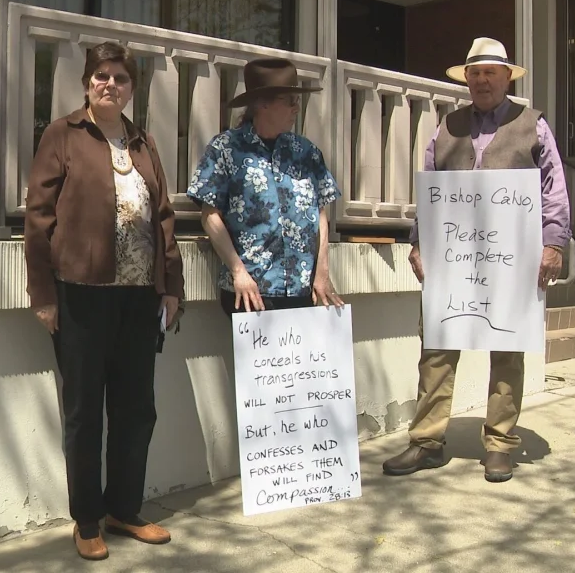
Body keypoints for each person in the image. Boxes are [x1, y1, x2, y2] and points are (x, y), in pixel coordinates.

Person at [382, 37, 571, 483]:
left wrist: (554, 244)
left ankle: (500, 444)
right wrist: (417, 242)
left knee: (507, 350)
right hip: (453, 256)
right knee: (436, 350)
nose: (483, 80)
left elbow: (553, 190)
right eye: (475, 73)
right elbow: (428, 189)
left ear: (507, 77)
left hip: (512, 258)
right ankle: (426, 441)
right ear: (466, 79)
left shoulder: (533, 125)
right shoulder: (446, 127)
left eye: (491, 72)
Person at [24, 41, 184, 560]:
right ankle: (87, 518)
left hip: (139, 299)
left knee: (137, 409)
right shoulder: (63, 135)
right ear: (87, 83)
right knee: (85, 410)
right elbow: (38, 217)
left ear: (131, 88)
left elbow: (163, 215)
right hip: (81, 297)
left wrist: (172, 286)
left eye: (119, 78)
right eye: (101, 76)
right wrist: (44, 293)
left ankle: (124, 508)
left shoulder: (143, 142)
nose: (109, 84)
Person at [187, 57, 343, 315]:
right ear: (262, 104)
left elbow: (320, 213)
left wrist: (322, 271)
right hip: (251, 292)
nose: (296, 108)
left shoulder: (306, 152)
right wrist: (238, 271)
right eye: (289, 101)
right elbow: (209, 215)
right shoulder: (226, 149)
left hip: (303, 290)